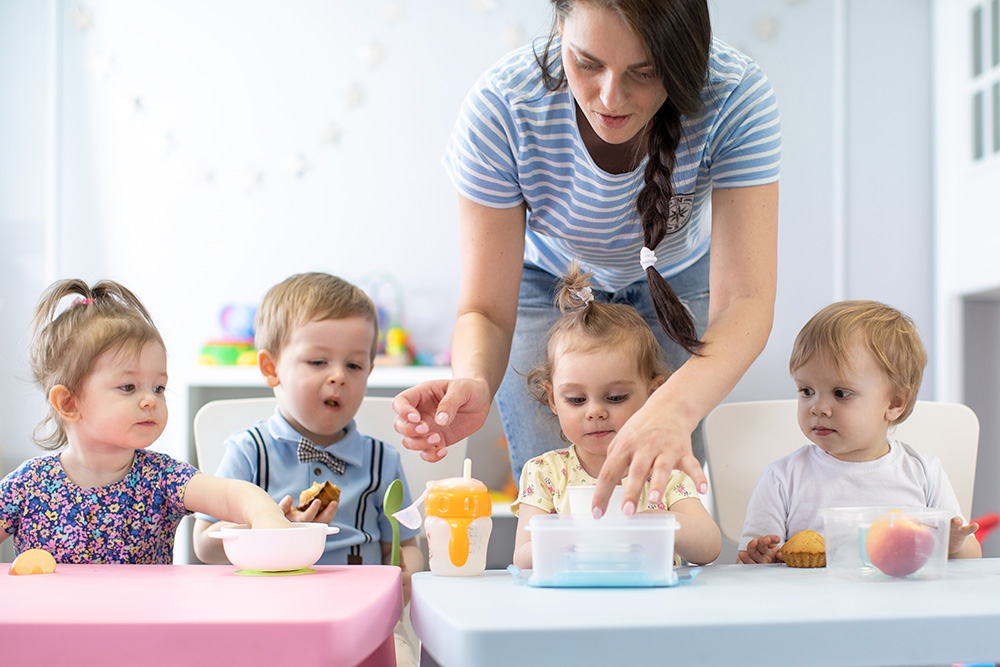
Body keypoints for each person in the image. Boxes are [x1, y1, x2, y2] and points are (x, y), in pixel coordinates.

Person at [392, 0, 781, 516]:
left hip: (673, 280)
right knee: (556, 503)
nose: (609, 96)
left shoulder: (734, 95)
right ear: (559, 28)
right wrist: (474, 378)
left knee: (662, 497)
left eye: (644, 72)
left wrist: (673, 407)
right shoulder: (503, 105)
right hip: (548, 280)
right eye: (588, 62)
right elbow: (483, 309)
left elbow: (745, 302)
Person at [190, 272, 423, 666]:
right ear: (271, 368)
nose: (338, 376)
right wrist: (261, 529)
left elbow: (406, 545)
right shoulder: (250, 452)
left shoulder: (383, 460)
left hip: (361, 622)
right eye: (318, 361)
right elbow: (205, 546)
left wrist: (406, 576)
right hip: (264, 619)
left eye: (354, 365)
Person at [0, 279, 291, 564]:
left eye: (158, 388)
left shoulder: (162, 477)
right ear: (69, 403)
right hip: (50, 614)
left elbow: (229, 495)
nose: (150, 400)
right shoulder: (28, 485)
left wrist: (265, 514)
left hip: (144, 614)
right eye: (128, 387)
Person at [738, 300, 981, 564]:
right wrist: (761, 556)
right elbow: (750, 562)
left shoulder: (924, 472)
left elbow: (972, 554)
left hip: (904, 602)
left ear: (894, 403)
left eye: (841, 393)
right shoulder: (782, 478)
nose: (818, 408)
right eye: (806, 391)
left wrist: (954, 546)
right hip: (811, 604)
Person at [511, 264, 721, 568]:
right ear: (552, 399)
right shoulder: (544, 473)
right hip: (571, 609)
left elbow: (709, 547)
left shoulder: (663, 468)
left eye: (615, 397)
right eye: (576, 399)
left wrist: (658, 522)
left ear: (654, 393)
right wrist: (578, 532)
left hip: (654, 607)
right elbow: (522, 558)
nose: (595, 411)